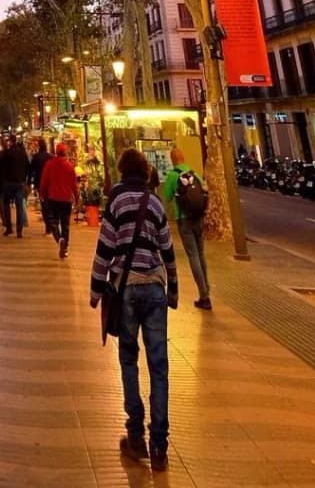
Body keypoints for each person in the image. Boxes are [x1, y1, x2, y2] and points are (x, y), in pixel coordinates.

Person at [90, 148, 178, 472]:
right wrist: (175, 290)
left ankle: (135, 434)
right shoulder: (154, 202)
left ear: (122, 170)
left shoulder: (115, 200)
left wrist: (95, 289)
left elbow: (105, 247)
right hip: (154, 288)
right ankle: (160, 445)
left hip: (126, 290)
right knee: (160, 366)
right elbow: (167, 249)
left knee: (129, 358)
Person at [162, 147, 210, 310]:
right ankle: (206, 290)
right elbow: (204, 191)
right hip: (198, 218)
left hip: (184, 220)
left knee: (193, 255)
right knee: (201, 253)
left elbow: (167, 197)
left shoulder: (172, 176)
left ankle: (203, 294)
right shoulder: (194, 173)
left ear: (172, 159)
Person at [40, 142, 80, 258]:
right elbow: (74, 186)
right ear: (65, 152)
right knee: (65, 224)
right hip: (66, 199)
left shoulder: (49, 164)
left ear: (56, 152)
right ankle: (65, 248)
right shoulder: (69, 166)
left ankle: (59, 238)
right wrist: (77, 199)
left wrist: (42, 194)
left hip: (53, 198)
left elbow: (44, 182)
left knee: (52, 221)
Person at [1, 133, 31, 237]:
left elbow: (3, 168)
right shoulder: (23, 153)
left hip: (9, 183)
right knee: (19, 206)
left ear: (10, 141)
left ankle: (9, 227)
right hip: (20, 183)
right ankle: (19, 230)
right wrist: (27, 181)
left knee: (6, 204)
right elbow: (28, 167)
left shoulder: (7, 153)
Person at [29, 137, 53, 233]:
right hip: (49, 183)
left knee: (43, 204)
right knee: (49, 203)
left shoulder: (36, 156)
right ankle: (50, 224)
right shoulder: (50, 156)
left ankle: (48, 225)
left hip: (40, 183)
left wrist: (30, 182)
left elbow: (32, 170)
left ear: (38, 145)